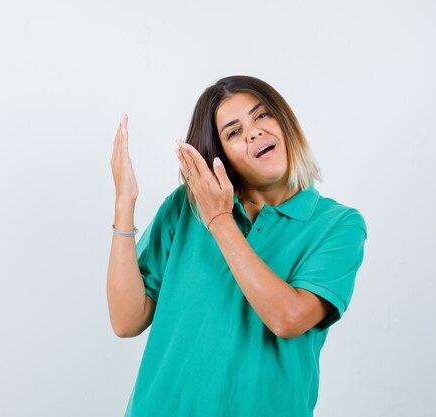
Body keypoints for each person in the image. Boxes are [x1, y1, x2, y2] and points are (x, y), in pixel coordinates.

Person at [107, 75, 367, 417]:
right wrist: (125, 201)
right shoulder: (188, 206)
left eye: (262, 116)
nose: (254, 132)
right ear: (222, 157)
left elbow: (288, 318)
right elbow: (127, 321)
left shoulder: (338, 225)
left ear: (284, 123)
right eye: (234, 131)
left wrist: (220, 220)